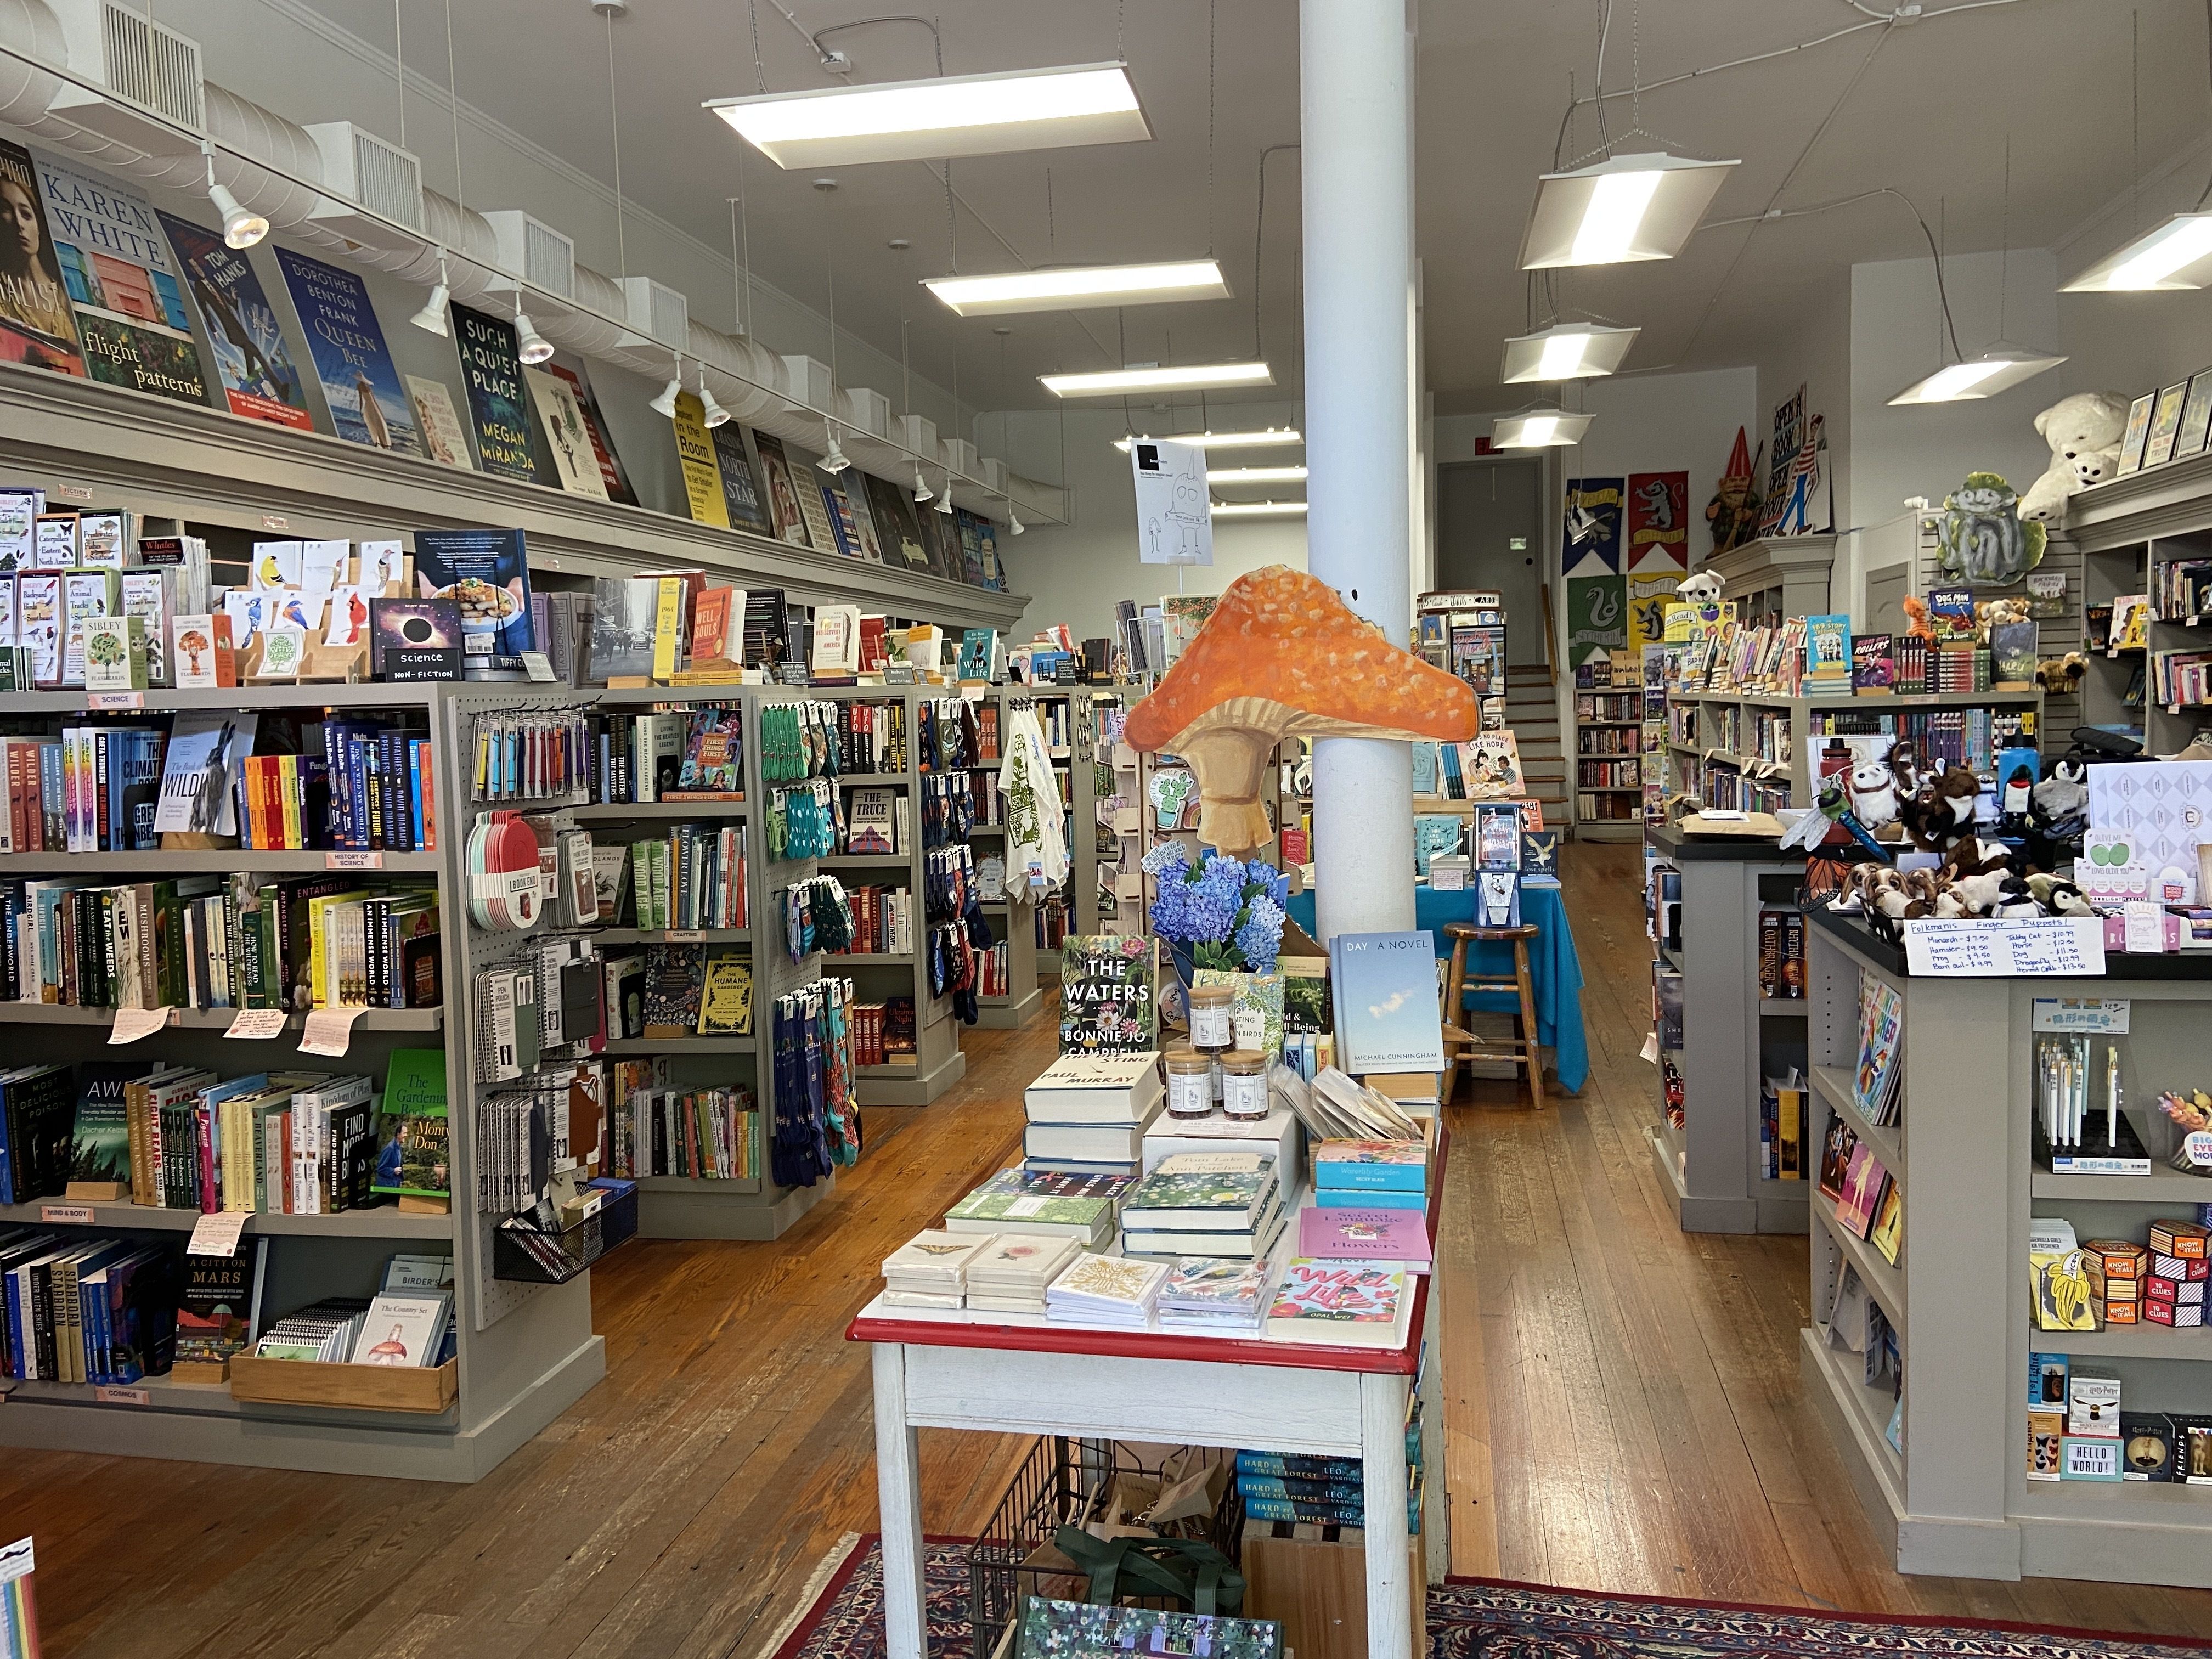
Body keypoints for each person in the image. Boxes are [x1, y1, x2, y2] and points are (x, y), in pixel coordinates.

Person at [0, 164, 81, 368]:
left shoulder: (65, 293)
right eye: (6, 212)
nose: (20, 224)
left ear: (38, 225)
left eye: (26, 214)